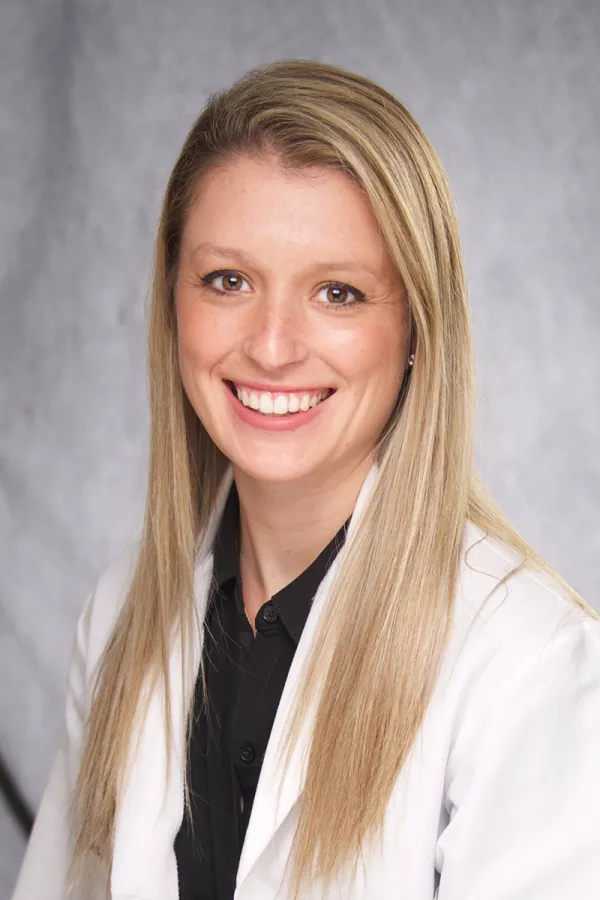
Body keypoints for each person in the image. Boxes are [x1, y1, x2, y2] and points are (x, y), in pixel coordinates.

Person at [11, 60, 600, 900]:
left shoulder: (527, 666)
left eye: (337, 292)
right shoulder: (121, 615)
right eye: (229, 281)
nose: (273, 345)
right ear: (172, 300)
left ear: (417, 329)